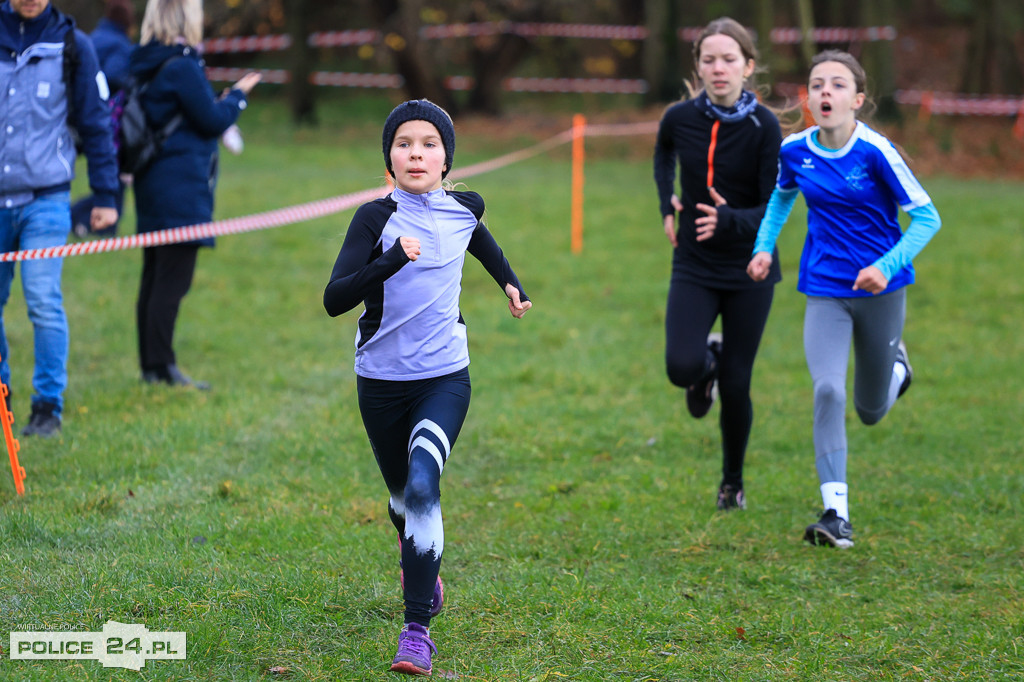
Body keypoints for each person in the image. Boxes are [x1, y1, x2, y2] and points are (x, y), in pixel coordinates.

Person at [323, 99, 532, 676]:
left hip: (445, 374)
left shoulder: (466, 208)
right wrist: (389, 261)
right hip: (381, 381)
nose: (417, 153)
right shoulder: (373, 217)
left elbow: (484, 245)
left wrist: (511, 285)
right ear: (389, 158)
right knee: (400, 500)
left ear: (446, 157)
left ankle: (416, 630)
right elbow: (335, 298)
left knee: (422, 485)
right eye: (405, 144)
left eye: (429, 144)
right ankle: (420, 559)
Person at [747, 50, 941, 548]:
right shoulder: (795, 151)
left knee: (871, 410)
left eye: (836, 85)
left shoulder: (876, 151)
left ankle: (897, 371)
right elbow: (780, 198)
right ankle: (837, 515)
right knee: (828, 390)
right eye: (816, 85)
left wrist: (885, 267)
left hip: (882, 290)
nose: (825, 93)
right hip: (824, 290)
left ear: (857, 99)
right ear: (808, 98)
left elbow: (927, 219)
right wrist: (764, 248)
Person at [653, 17, 782, 511]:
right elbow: (663, 155)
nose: (719, 67)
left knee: (738, 383)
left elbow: (775, 204)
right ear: (699, 67)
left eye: (729, 59)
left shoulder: (763, 126)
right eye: (709, 59)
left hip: (752, 267)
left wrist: (728, 220)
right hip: (694, 262)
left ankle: (732, 482)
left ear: (748, 67)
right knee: (679, 367)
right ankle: (704, 361)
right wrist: (667, 203)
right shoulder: (679, 118)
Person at [0, 0, 120, 437]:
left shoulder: (74, 45)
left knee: (42, 299)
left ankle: (47, 406)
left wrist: (106, 194)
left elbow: (95, 122)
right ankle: (1, 394)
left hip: (46, 200)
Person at [130, 0, 260, 390]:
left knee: (155, 276)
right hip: (180, 190)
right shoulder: (182, 66)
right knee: (171, 280)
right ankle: (163, 367)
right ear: (189, 19)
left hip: (153, 184)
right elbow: (212, 120)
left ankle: (152, 367)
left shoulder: (148, 63)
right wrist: (237, 96)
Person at [70, 0, 137, 239]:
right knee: (115, 176)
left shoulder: (94, 37)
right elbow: (114, 76)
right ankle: (94, 221)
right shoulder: (120, 45)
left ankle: (89, 222)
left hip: (79, 118)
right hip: (107, 118)